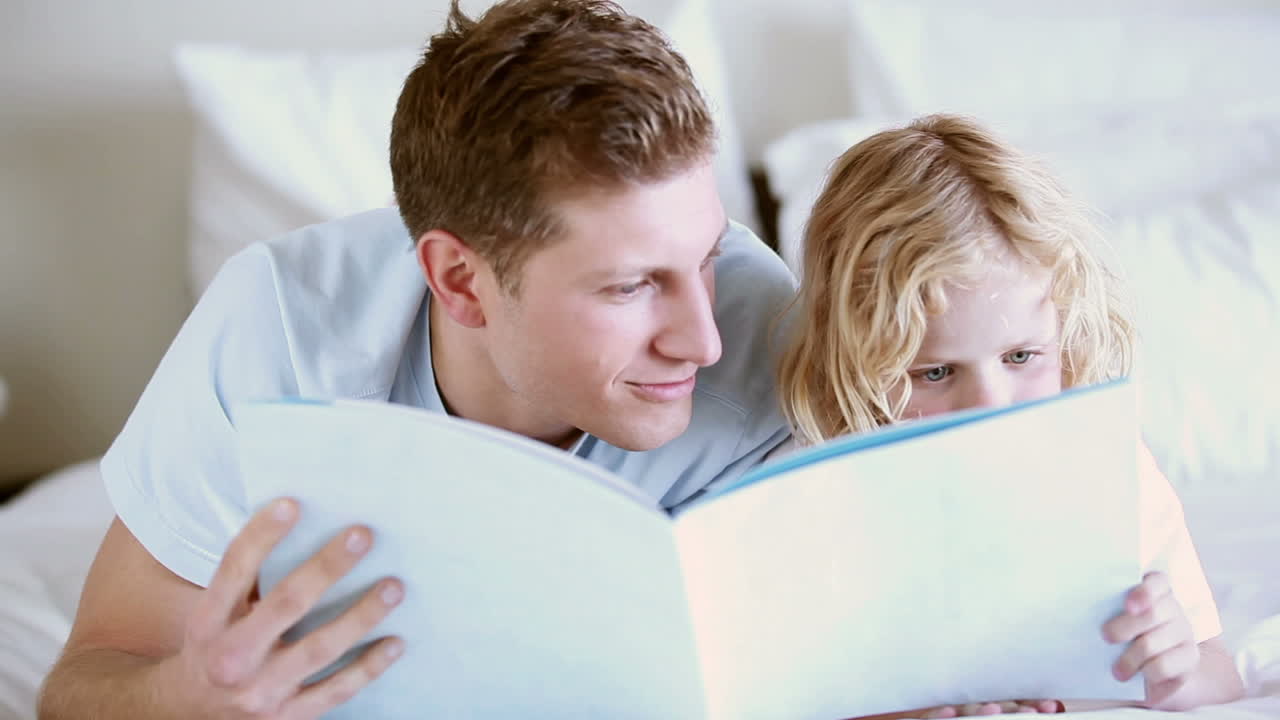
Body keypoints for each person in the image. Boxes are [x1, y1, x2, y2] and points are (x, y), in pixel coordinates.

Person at [37, 1, 799, 717]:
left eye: (707, 256)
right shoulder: (279, 329)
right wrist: (182, 697)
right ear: (462, 281)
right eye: (630, 285)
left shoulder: (769, 333)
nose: (703, 341)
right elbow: (86, 680)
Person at [778, 114, 1246, 717]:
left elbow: (1220, 676)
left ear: (1063, 336)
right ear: (854, 362)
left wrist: (1176, 671)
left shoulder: (1113, 479)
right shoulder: (818, 498)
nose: (989, 408)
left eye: (1021, 356)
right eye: (936, 373)